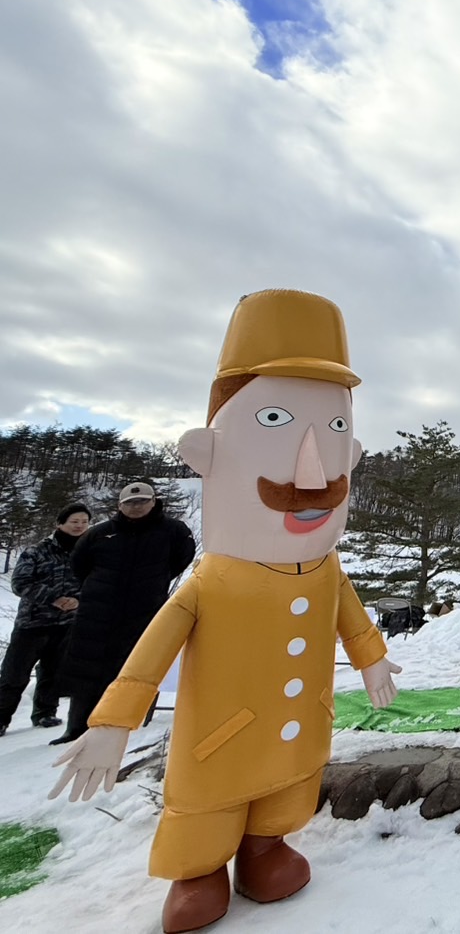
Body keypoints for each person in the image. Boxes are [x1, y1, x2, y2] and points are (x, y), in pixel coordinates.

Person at [49, 288, 399, 934]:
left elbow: (347, 613)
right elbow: (155, 645)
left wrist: (372, 659)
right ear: (207, 452)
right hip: (222, 738)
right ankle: (201, 866)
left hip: (297, 725)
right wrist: (114, 720)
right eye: (273, 422)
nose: (315, 469)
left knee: (285, 789)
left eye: (337, 428)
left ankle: (264, 846)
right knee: (210, 801)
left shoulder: (326, 566)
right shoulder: (214, 580)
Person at [53, 482, 196, 744]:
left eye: (142, 501)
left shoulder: (173, 531)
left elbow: (181, 559)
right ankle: (77, 727)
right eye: (130, 503)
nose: (136, 506)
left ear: (154, 502)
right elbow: (79, 564)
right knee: (87, 670)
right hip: (97, 612)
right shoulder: (99, 533)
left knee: (135, 668)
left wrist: (153, 582)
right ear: (120, 506)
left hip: (144, 611)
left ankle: (126, 725)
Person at [0, 504, 90, 735]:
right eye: (74, 521)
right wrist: (54, 599)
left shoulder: (88, 552)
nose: (79, 525)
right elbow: (21, 583)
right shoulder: (37, 551)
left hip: (68, 623)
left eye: (84, 521)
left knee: (54, 672)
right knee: (14, 674)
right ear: (60, 524)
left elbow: (96, 583)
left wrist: (78, 600)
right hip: (33, 623)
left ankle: (45, 713)